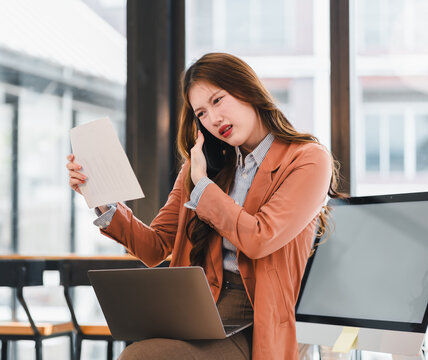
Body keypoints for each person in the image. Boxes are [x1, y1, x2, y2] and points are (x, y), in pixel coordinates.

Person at [66, 52, 341, 360]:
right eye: (202, 113)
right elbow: (154, 246)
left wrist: (202, 184)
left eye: (217, 100)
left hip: (257, 319)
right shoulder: (204, 167)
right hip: (199, 310)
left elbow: (260, 238)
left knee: (140, 357)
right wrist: (100, 198)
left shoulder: (308, 159)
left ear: (248, 89)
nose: (213, 119)